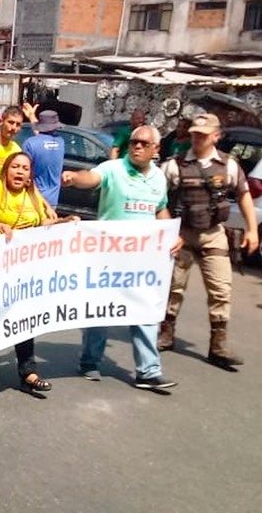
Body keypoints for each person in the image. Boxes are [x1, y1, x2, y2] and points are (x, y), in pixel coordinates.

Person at [62, 124, 180, 390]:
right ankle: (90, 362)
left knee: (146, 311)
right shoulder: (113, 168)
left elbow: (160, 210)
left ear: (155, 149)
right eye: (134, 142)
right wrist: (74, 178)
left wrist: (172, 234)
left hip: (142, 263)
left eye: (143, 143)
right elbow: (91, 178)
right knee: (102, 311)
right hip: (108, 258)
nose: (136, 146)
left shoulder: (158, 179)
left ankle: (148, 371)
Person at [0, 113, 77, 392]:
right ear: (6, 171)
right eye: (15, 167)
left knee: (23, 318)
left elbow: (44, 225)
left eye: (25, 168)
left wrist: (66, 222)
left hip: (23, 270)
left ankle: (27, 371)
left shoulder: (33, 197)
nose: (20, 172)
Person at [158, 113, 259, 369]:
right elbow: (157, 198)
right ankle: (166, 333)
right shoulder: (174, 165)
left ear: (216, 136)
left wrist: (252, 230)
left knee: (221, 289)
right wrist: (166, 229)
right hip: (181, 234)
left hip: (214, 234)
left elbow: (244, 195)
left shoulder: (229, 166)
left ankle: (218, 345)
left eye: (203, 135)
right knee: (174, 287)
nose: (197, 138)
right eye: (194, 134)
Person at [21, 109, 66, 208]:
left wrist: (32, 117)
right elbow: (43, 139)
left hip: (33, 197)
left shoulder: (30, 143)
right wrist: (32, 116)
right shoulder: (60, 142)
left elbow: (24, 171)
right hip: (53, 200)